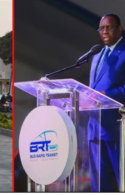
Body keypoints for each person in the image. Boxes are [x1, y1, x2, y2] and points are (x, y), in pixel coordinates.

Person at [88, 13, 125, 192]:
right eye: (101, 28)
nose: (104, 32)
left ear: (119, 29)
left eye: (108, 27)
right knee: (100, 184)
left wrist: (107, 94)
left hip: (117, 128)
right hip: (95, 129)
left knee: (121, 181)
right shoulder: (96, 55)